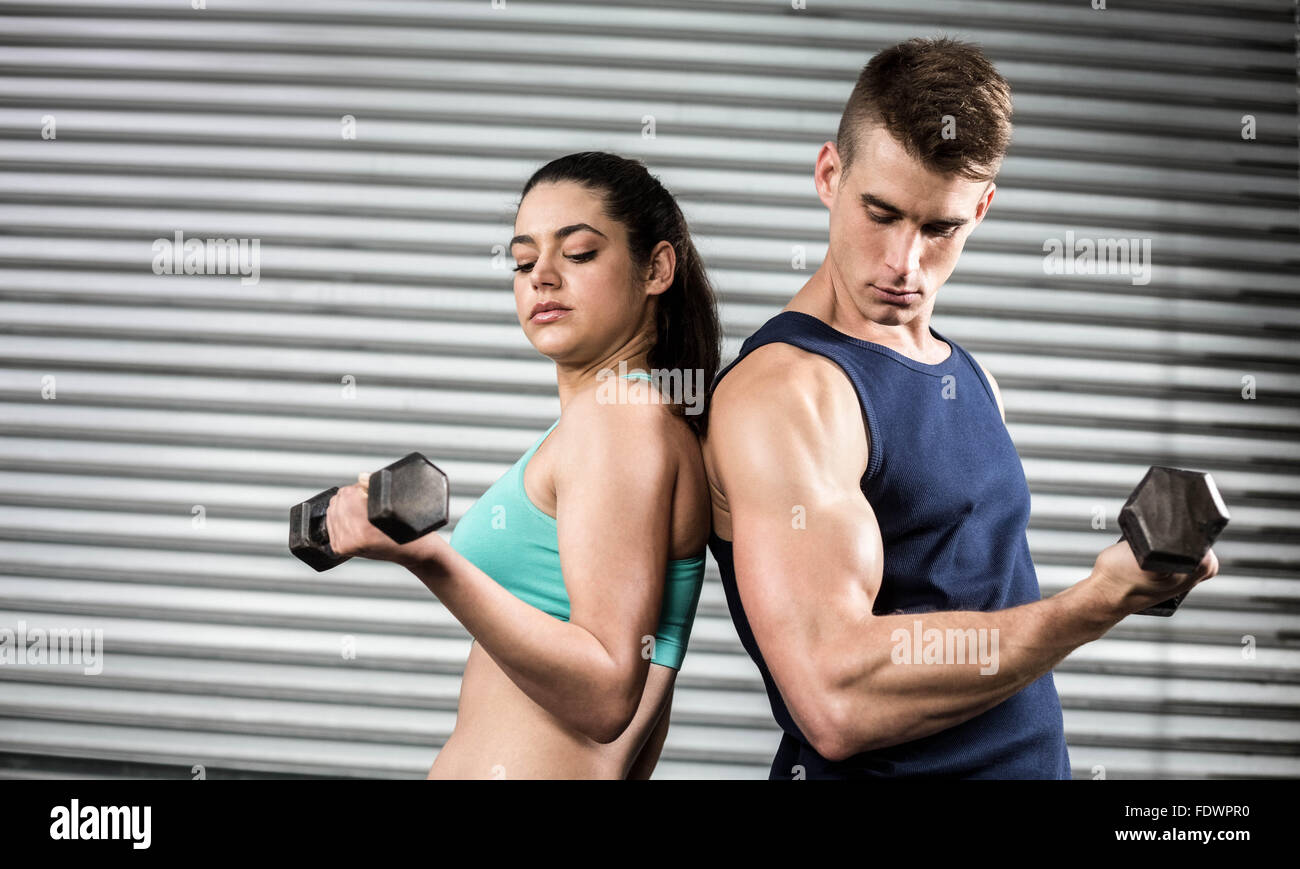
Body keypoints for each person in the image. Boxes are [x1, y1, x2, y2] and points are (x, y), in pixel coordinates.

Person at [701, 37, 1219, 779]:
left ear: (982, 207)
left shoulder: (966, 375)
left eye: (940, 227)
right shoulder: (788, 392)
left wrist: (1140, 577)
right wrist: (1096, 602)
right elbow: (832, 698)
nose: (903, 263)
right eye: (879, 212)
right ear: (828, 174)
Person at [322, 151, 721, 778]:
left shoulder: (618, 420)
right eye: (523, 260)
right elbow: (645, 716)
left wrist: (428, 557)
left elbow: (608, 694)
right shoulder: (639, 419)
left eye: (580, 253)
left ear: (657, 268)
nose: (543, 277)